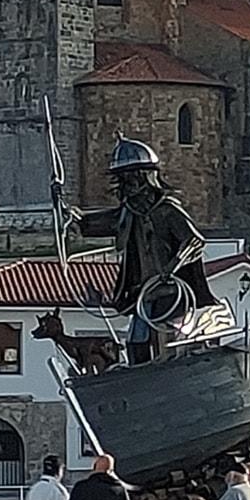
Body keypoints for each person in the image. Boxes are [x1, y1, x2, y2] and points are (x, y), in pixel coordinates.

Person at [72, 137, 219, 365]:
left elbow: (194, 240)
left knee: (168, 339)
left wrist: (171, 269)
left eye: (130, 181)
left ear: (145, 179)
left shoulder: (168, 210)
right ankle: (141, 378)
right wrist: (72, 216)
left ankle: (169, 377)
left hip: (171, 292)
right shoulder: (129, 213)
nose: (126, 188)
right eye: (123, 182)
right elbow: (99, 222)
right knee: (136, 343)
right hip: (144, 292)